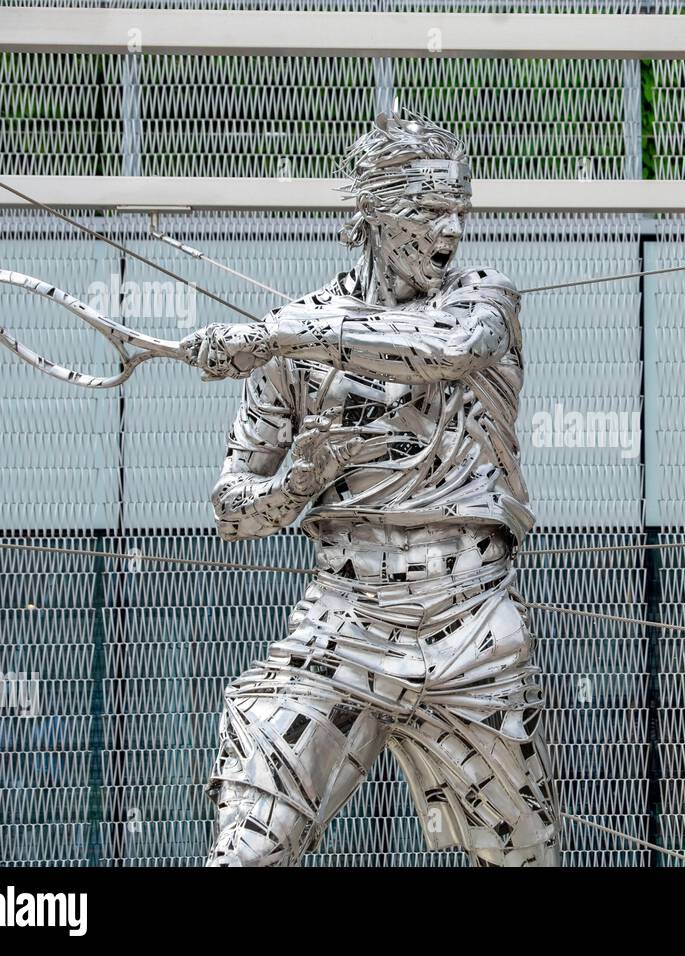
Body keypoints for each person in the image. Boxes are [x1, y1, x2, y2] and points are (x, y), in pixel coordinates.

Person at [178, 111, 560, 866]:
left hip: (468, 624)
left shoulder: (483, 299)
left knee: (520, 859)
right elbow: (231, 509)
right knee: (247, 848)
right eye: (426, 210)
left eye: (460, 208)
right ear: (372, 214)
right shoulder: (297, 337)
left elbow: (446, 352)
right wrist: (298, 485)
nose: (449, 230)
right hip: (341, 620)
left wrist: (277, 334)